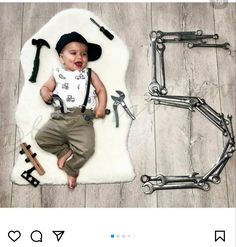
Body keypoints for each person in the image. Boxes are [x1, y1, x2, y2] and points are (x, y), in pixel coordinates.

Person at [35, 31, 107, 189]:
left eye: (84, 54)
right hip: (59, 119)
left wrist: (101, 107)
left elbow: (101, 89)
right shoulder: (57, 74)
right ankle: (63, 151)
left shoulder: (89, 73)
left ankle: (72, 168)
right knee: (41, 138)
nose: (79, 57)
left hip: (82, 120)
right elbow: (45, 87)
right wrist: (45, 92)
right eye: (73, 53)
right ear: (62, 58)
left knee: (88, 149)